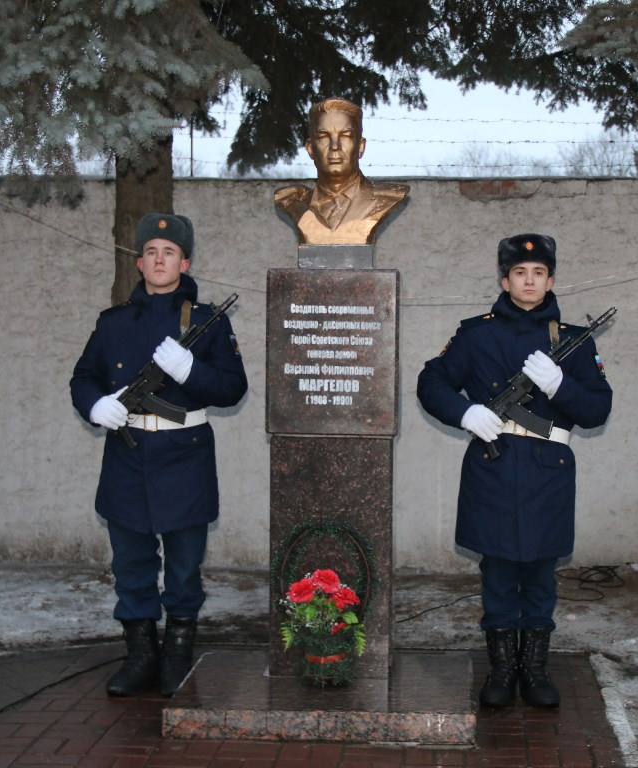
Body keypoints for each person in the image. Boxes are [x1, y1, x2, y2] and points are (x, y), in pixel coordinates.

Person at [416, 234, 613, 709]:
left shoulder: (573, 342)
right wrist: (464, 414)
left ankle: (536, 670)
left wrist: (562, 385)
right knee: (499, 573)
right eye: (520, 273)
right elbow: (431, 381)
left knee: (541, 575)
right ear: (505, 279)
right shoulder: (476, 335)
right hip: (495, 467)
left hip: (548, 468)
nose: (529, 280)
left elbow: (597, 409)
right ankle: (503, 671)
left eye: (539, 273)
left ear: (550, 280)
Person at [70, 213, 247, 697]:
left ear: (184, 261)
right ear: (141, 262)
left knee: (184, 566)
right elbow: (83, 377)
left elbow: (233, 387)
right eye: (150, 252)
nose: (159, 259)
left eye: (169, 252)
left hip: (184, 456)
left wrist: (192, 371)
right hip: (127, 457)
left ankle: (176, 655)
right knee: (131, 562)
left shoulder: (208, 321)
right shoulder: (113, 322)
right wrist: (96, 405)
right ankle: (141, 656)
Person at [274, 97, 408, 245]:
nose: (335, 146)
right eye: (323, 137)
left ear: (360, 147)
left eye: (345, 136)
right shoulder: (293, 201)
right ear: (310, 148)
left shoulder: (387, 198)